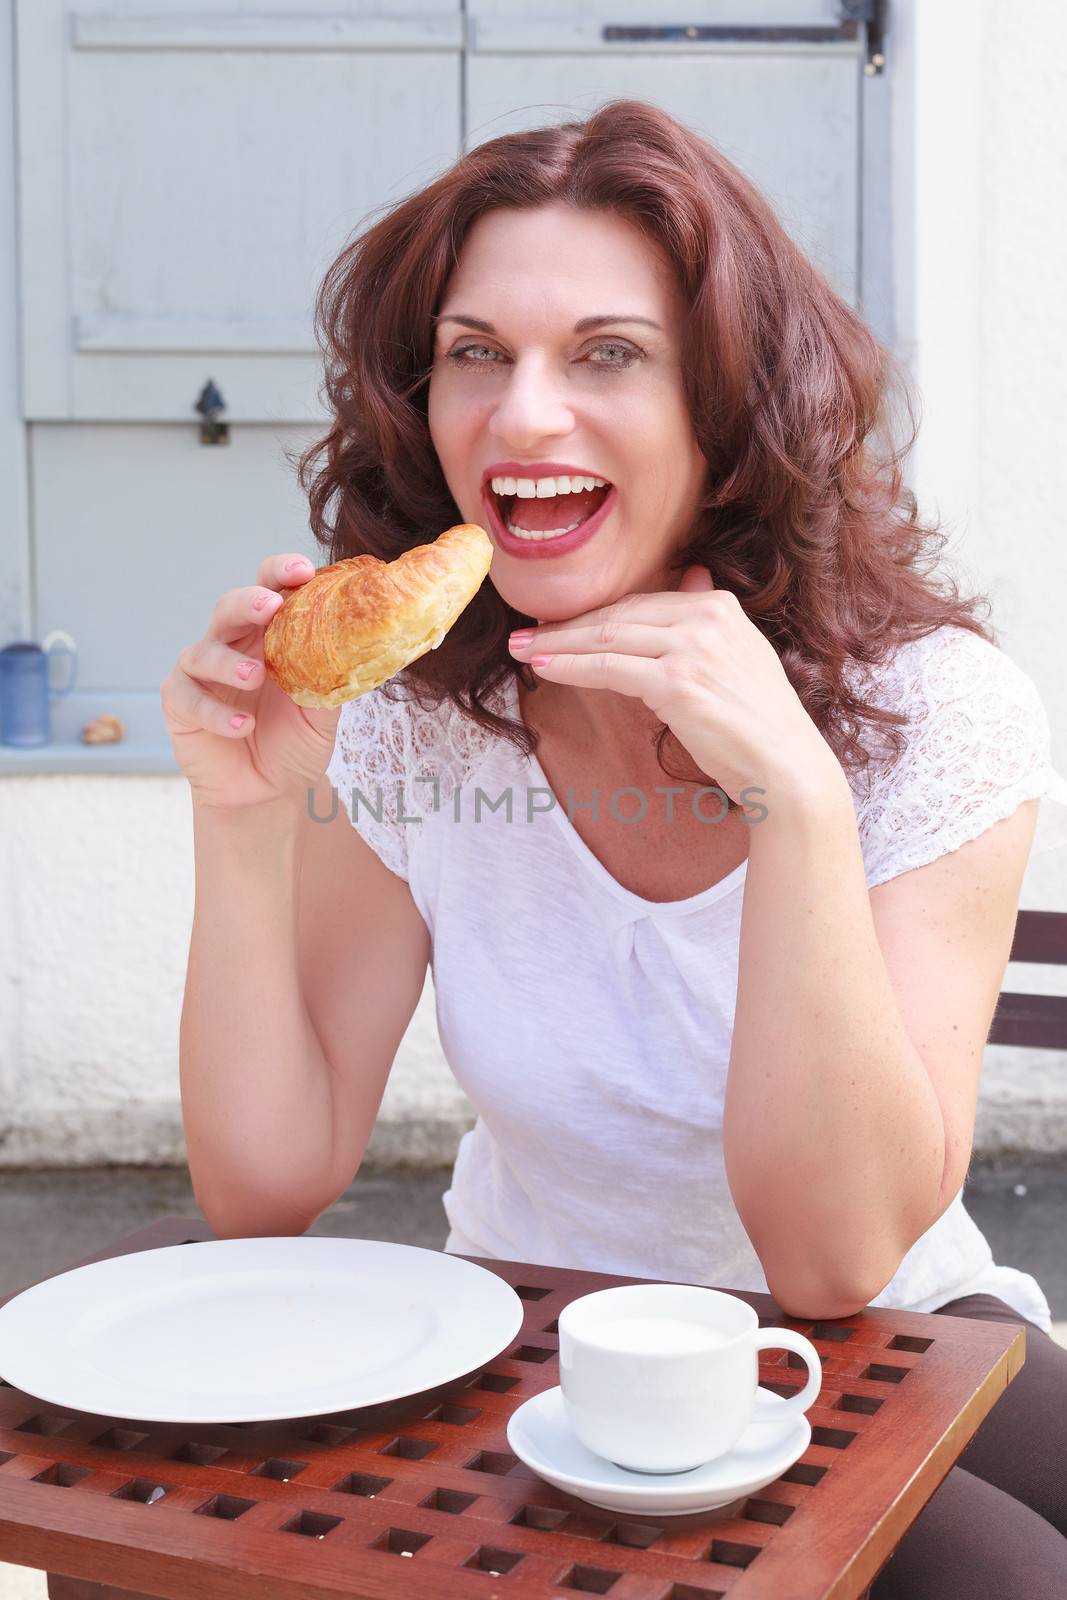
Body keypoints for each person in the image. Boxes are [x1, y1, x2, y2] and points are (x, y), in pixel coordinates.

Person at [163, 100, 1067, 1595]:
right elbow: (266, 1184)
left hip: (886, 1329)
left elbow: (832, 1260)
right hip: (530, 1326)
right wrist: (244, 817)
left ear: (729, 406)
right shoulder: (416, 714)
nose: (522, 418)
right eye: (475, 353)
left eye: (607, 353)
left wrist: (793, 794)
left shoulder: (930, 713)